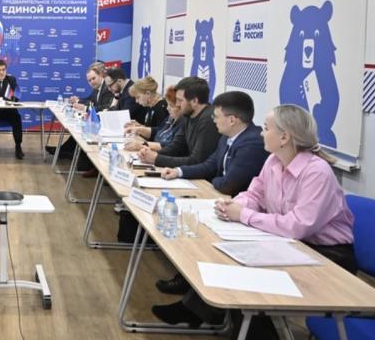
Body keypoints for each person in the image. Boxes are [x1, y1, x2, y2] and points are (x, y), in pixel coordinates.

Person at [152, 105, 356, 340]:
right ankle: (206, 314)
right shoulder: (273, 161)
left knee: (249, 277)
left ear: (284, 137)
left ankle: (226, 323)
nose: (261, 133)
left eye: (266, 128)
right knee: (228, 256)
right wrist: (233, 205)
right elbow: (254, 195)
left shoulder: (317, 172)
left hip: (327, 255)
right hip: (291, 243)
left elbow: (298, 226)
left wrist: (244, 215)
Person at [151, 91, 268, 297]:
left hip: (240, 209)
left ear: (232, 120)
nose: (214, 120)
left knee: (196, 231)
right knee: (189, 224)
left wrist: (214, 179)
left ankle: (194, 296)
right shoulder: (227, 137)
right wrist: (179, 171)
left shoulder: (252, 143)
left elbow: (229, 184)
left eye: (217, 116)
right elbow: (210, 165)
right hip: (225, 202)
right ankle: (187, 285)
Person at [138, 76, 220, 168]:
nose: (177, 104)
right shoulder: (188, 115)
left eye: (180, 100)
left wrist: (156, 159)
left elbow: (197, 160)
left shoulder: (209, 121)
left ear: (194, 101)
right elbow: (177, 147)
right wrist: (150, 154)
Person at [47, 63, 113, 158]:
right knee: (78, 129)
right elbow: (90, 99)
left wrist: (84, 107)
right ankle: (64, 150)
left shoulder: (107, 88)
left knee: (82, 128)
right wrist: (78, 100)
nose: (91, 82)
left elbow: (104, 107)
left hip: (102, 122)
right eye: (89, 81)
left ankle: (67, 152)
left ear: (101, 75)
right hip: (94, 121)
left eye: (93, 78)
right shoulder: (96, 87)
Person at [124, 86, 182, 152]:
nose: (167, 108)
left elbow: (171, 147)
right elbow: (159, 131)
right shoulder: (171, 118)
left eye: (171, 105)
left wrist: (142, 144)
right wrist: (139, 129)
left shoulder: (183, 125)